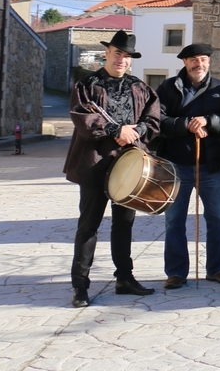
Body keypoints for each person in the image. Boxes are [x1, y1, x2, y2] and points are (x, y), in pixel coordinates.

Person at [64, 30, 160, 307]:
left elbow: (153, 121)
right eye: (118, 53)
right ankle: (80, 286)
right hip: (95, 164)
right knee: (89, 227)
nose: (122, 59)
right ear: (107, 53)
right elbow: (82, 118)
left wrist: (136, 130)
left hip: (129, 167)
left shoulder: (140, 88)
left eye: (127, 56)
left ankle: (124, 278)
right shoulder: (87, 85)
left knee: (124, 226)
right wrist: (114, 129)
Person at [155, 43, 220, 289]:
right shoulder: (168, 88)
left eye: (202, 59)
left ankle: (217, 268)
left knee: (218, 220)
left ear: (209, 62)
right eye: (193, 60)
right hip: (176, 166)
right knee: (174, 221)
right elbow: (157, 120)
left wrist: (209, 121)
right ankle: (176, 272)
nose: (198, 64)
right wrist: (185, 124)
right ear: (184, 62)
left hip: (211, 166)